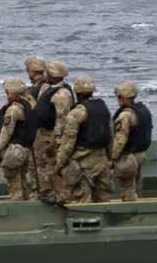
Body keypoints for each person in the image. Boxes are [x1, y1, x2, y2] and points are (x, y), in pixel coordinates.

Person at [55, 75, 112, 203]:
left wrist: (59, 165)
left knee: (82, 200)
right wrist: (110, 158)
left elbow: (67, 144)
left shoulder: (76, 113)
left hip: (83, 162)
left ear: (77, 93)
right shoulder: (103, 108)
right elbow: (110, 135)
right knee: (104, 199)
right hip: (102, 160)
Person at [32, 60, 74, 203]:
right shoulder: (49, 89)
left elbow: (61, 119)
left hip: (51, 134)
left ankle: (58, 195)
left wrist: (56, 140)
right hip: (43, 132)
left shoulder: (62, 94)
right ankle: (45, 192)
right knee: (41, 164)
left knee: (52, 165)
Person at [0, 77, 37, 201]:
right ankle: (26, 201)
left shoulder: (13, 109)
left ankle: (17, 202)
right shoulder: (30, 104)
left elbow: (7, 131)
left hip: (15, 149)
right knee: (24, 179)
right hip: (27, 148)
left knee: (13, 179)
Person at [110, 81, 153, 202]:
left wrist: (112, 159)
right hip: (141, 154)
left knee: (127, 191)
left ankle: (130, 216)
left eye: (118, 97)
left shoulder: (125, 115)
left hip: (128, 157)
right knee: (136, 189)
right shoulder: (143, 110)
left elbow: (120, 140)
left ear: (123, 98)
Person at [22, 54, 48, 196]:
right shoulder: (37, 86)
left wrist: (28, 97)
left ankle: (41, 192)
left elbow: (39, 109)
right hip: (35, 131)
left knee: (39, 165)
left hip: (41, 132)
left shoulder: (43, 87)